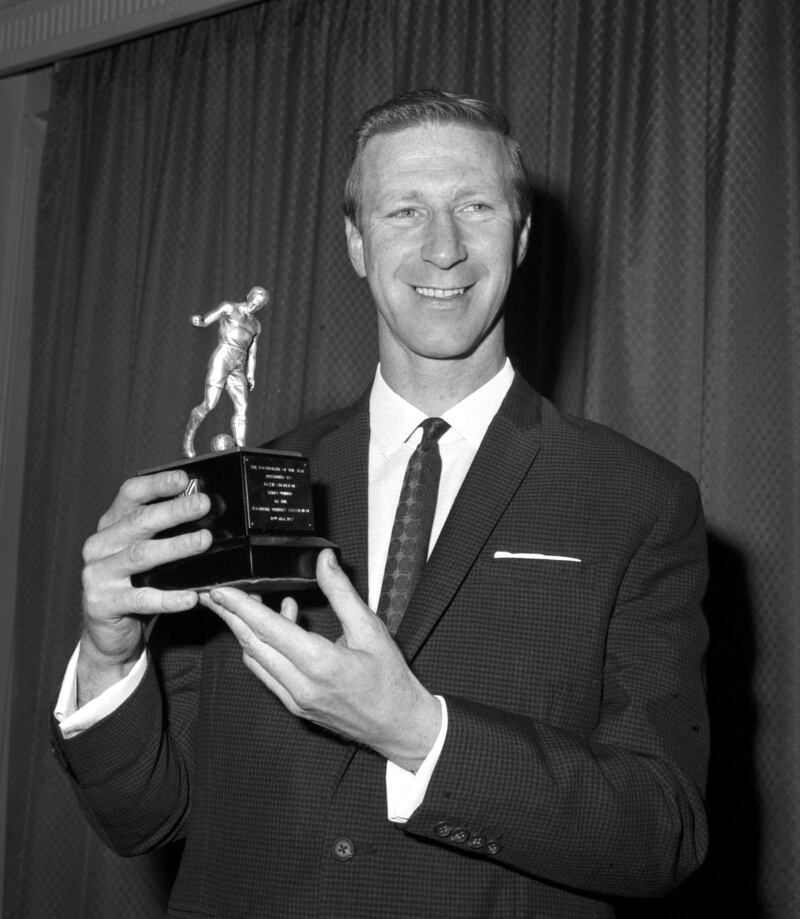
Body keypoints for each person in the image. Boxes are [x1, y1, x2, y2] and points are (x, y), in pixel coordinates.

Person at [52, 89, 709, 917]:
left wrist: (417, 731)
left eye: (474, 206)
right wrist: (109, 657)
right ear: (357, 243)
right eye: (404, 211)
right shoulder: (251, 484)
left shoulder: (638, 501)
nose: (443, 249)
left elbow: (663, 831)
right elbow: (145, 815)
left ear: (523, 234)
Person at [181, 285, 269, 457]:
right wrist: (199, 321)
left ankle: (241, 449)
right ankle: (188, 438)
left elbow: (252, 352)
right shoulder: (229, 307)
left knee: (242, 406)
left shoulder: (256, 325)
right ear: (249, 296)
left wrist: (250, 374)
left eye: (259, 305)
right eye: (254, 302)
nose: (255, 306)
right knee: (210, 403)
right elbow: (206, 320)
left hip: (239, 364)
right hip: (223, 356)